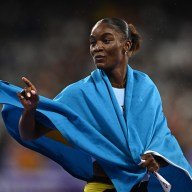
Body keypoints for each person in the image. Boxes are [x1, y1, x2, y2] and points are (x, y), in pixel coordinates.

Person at [0, 17, 192, 192]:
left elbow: (160, 138)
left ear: (126, 45)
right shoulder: (79, 93)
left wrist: (156, 156)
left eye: (106, 40)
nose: (97, 47)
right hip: (101, 187)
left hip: (141, 187)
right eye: (93, 43)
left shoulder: (146, 87)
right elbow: (29, 134)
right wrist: (30, 110)